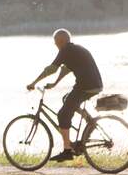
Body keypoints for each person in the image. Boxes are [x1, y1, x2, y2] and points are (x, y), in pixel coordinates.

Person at [27, 28, 103, 162]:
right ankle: (90, 121)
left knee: (62, 114)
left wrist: (34, 82)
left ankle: (67, 151)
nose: (55, 45)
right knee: (67, 100)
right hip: (93, 85)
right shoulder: (74, 50)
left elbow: (51, 69)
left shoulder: (65, 50)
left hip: (86, 86)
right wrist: (55, 83)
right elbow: (66, 69)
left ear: (60, 41)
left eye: (56, 42)